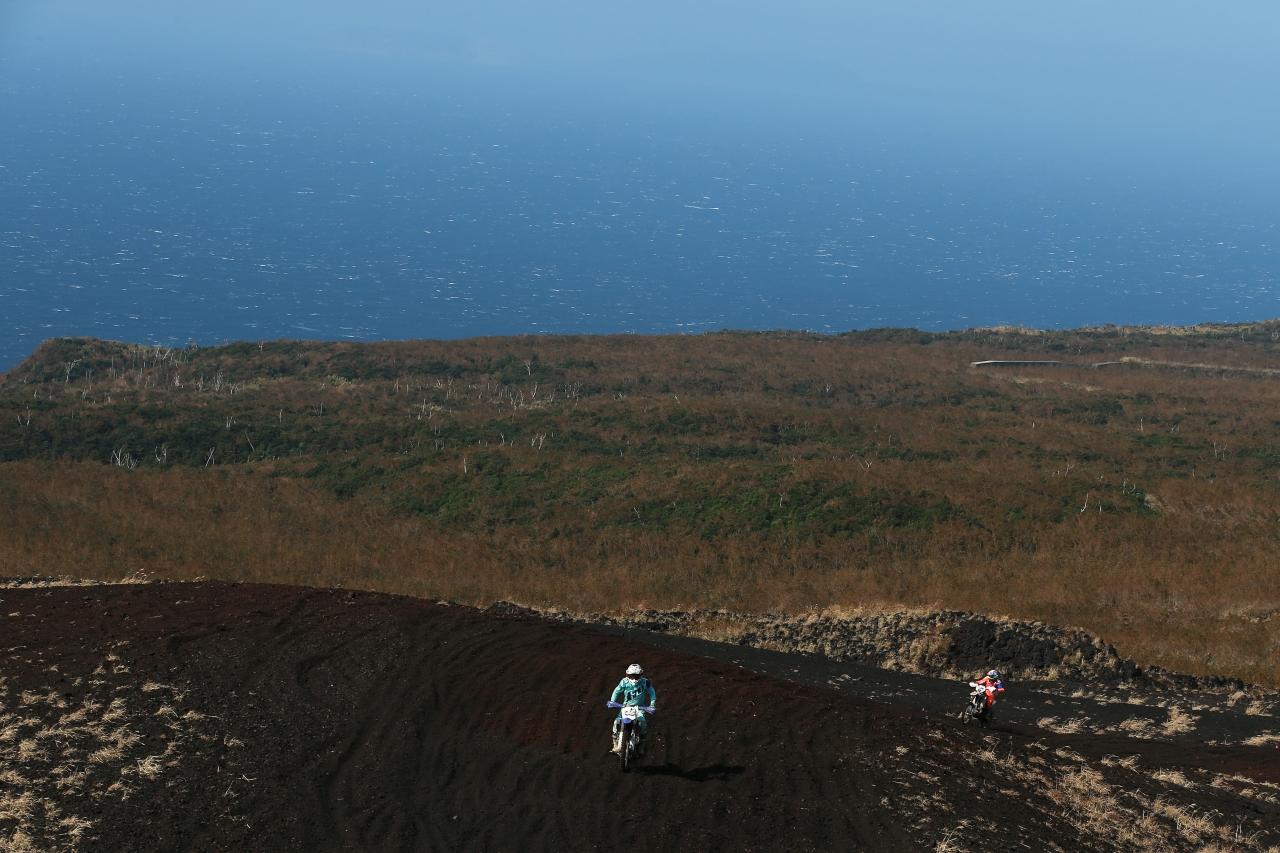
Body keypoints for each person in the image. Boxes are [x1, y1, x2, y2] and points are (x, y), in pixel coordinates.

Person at [609, 663, 657, 753]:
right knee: (616, 721)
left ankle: (642, 741)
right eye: (631, 676)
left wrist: (652, 705)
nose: (634, 679)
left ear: (641, 675)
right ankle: (615, 740)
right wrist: (613, 701)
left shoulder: (645, 682)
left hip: (639, 708)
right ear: (627, 675)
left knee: (642, 721)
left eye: (636, 676)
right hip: (626, 706)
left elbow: (652, 692)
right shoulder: (624, 682)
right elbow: (616, 690)